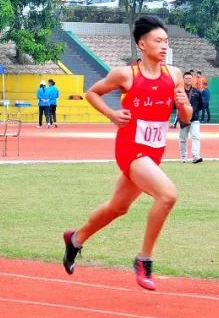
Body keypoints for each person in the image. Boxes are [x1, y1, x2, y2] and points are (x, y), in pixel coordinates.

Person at [62, 15, 192, 290]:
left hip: (155, 151)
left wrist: (182, 104)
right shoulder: (127, 74)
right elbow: (92, 93)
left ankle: (75, 239)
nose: (164, 46)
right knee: (167, 196)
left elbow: (186, 118)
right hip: (131, 148)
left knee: (117, 208)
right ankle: (144, 259)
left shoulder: (175, 75)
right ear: (142, 45)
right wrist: (112, 114)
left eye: (166, 41)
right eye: (158, 41)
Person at [178, 71, 204, 164]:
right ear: (183, 79)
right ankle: (183, 157)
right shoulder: (179, 92)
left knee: (196, 137)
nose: (189, 80)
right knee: (182, 139)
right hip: (183, 119)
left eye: (190, 78)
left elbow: (201, 105)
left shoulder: (196, 92)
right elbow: (174, 105)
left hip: (194, 119)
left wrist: (194, 111)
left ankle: (196, 156)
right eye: (187, 78)